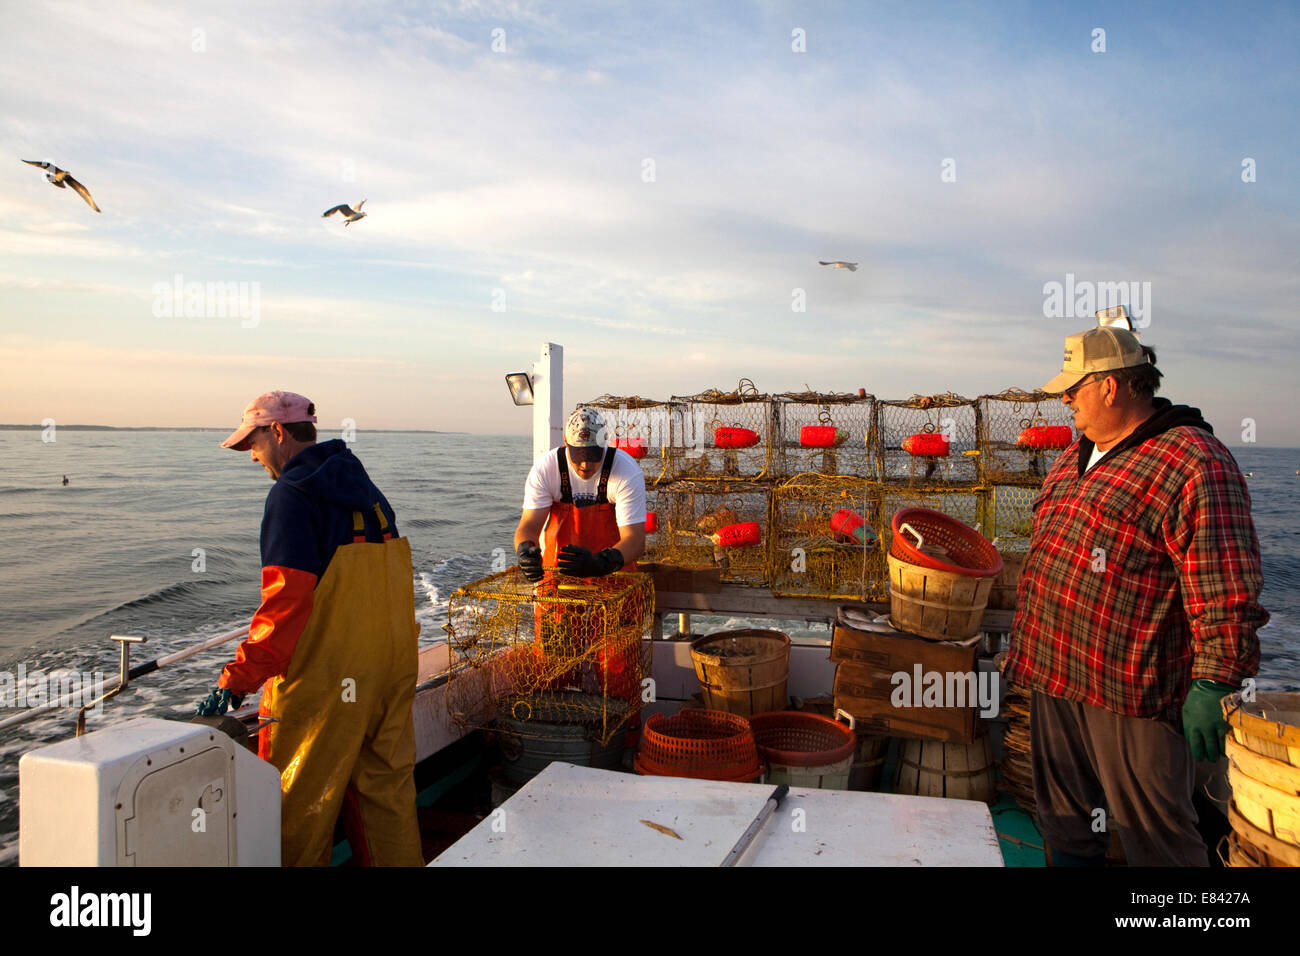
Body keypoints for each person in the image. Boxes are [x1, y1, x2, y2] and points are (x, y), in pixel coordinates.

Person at [1004, 324, 1267, 866]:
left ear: (1111, 386)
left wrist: (1215, 680)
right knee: (1065, 829)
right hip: (1055, 677)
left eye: (1075, 386)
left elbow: (1225, 583)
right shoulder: (1076, 455)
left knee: (1158, 840)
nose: (1065, 398)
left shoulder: (1194, 461)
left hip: (1133, 694)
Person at [195, 390, 423, 867]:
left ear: (278, 432)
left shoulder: (291, 496)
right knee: (389, 797)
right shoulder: (369, 492)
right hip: (391, 667)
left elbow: (285, 604)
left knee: (299, 805)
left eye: (253, 444)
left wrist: (237, 679)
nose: (253, 457)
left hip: (328, 681)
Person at [514, 407, 647, 581]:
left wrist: (600, 563)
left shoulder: (626, 471)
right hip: (559, 577)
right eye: (579, 456)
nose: (585, 465)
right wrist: (525, 549)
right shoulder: (546, 469)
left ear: (604, 443)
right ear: (566, 443)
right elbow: (529, 525)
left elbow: (635, 541)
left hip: (614, 576)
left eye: (593, 455)